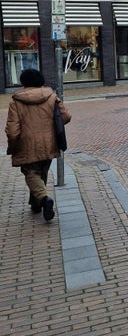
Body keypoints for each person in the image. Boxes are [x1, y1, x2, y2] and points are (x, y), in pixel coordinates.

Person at [5, 69, 72, 222]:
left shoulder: (16, 102)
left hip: (26, 144)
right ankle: (36, 204)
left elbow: (13, 130)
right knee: (42, 172)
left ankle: (43, 199)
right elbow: (66, 116)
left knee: (31, 173)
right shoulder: (52, 97)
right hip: (49, 143)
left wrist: (13, 144)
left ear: (23, 82)